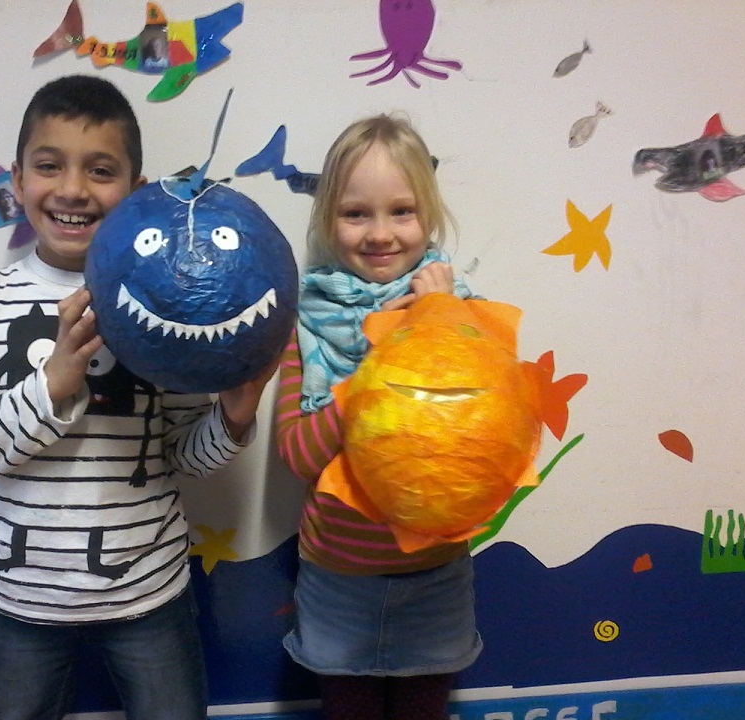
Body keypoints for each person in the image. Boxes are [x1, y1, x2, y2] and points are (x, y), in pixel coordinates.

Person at [0, 74, 276, 720]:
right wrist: (54, 383)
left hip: (149, 595)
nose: (72, 189)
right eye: (49, 166)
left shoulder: (164, 306)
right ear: (17, 181)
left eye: (100, 170)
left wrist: (233, 417)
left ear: (136, 191)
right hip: (22, 604)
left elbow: (181, 455)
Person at [275, 114, 482, 720]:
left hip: (436, 575)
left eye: (402, 211)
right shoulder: (305, 324)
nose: (381, 233)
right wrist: (374, 372)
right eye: (355, 213)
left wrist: (438, 323)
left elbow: (479, 438)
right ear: (327, 220)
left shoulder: (463, 311)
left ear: (429, 216)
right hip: (337, 580)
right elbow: (298, 456)